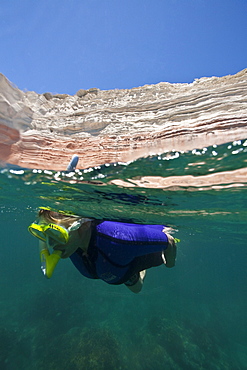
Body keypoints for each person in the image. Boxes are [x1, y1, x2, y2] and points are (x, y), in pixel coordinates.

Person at [28, 207, 178, 293]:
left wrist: (170, 264)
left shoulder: (119, 239)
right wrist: (44, 250)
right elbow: (45, 235)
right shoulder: (68, 242)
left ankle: (134, 272)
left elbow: (169, 241)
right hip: (108, 264)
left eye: (56, 234)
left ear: (83, 225)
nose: (51, 244)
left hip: (124, 259)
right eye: (45, 234)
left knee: (136, 289)